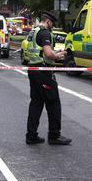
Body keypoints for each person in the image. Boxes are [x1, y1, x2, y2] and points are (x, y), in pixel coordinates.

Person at [25, 11, 72, 145]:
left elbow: (40, 52)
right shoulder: (45, 32)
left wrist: (53, 54)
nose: (52, 26)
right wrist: (59, 55)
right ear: (48, 22)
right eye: (52, 24)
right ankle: (54, 135)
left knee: (36, 103)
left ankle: (31, 135)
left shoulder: (33, 31)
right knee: (53, 104)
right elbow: (48, 53)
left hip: (33, 70)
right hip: (44, 73)